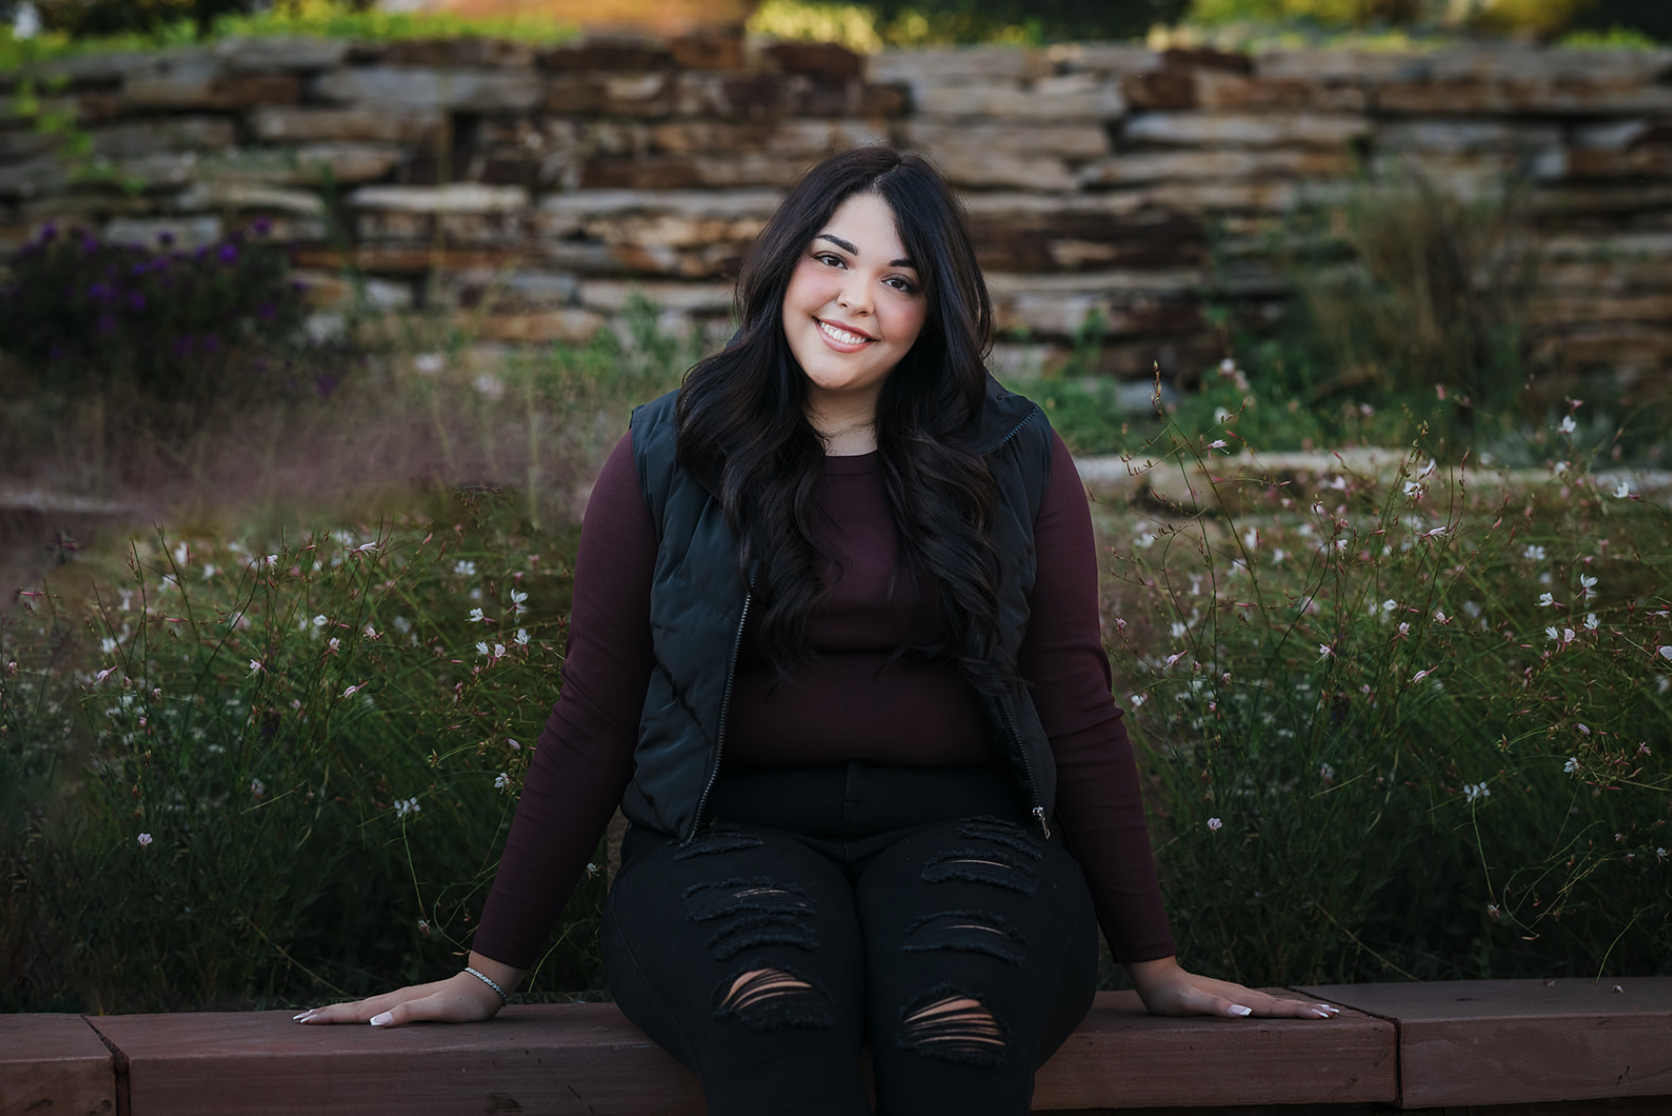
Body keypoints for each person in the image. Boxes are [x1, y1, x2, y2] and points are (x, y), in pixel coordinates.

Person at [295, 146, 1337, 1114]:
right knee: (775, 1021)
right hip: (719, 844)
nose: (856, 300)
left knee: (956, 1036)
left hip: (968, 838)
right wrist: (486, 975)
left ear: (933, 311)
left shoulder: (1011, 453)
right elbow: (593, 711)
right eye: (832, 260)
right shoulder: (670, 450)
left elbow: (1073, 697)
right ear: (783, 263)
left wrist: (1157, 969)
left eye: (900, 280)